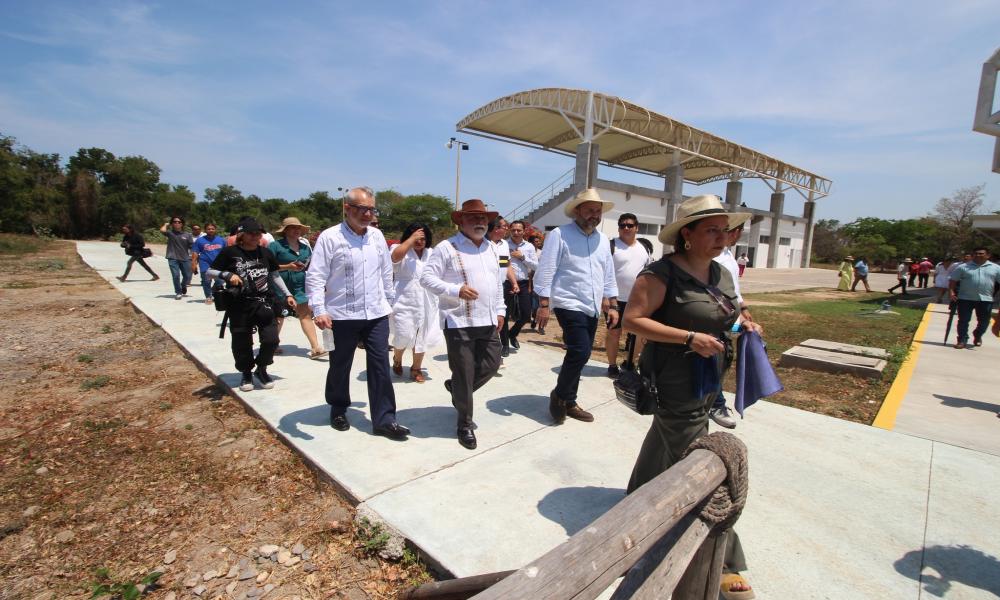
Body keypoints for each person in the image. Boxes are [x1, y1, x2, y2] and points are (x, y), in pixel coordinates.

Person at [622, 194, 761, 599]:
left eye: (725, 230)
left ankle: (634, 501)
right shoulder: (660, 273)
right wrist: (688, 336)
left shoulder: (721, 272)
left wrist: (745, 322)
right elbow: (634, 320)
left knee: (665, 440)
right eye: (712, 230)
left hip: (710, 376)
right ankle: (728, 562)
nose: (723, 237)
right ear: (688, 234)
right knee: (697, 459)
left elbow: (729, 312)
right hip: (673, 378)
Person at [305, 187, 410, 440]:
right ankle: (338, 408)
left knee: (380, 366)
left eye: (371, 209)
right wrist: (319, 309)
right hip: (341, 315)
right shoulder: (330, 237)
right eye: (362, 209)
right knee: (340, 364)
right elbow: (316, 275)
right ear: (347, 209)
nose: (368, 214)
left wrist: (389, 301)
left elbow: (386, 271)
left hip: (375, 314)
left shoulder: (376, 236)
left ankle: (385, 419)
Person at [421, 200, 505, 449]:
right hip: (459, 321)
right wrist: (455, 289)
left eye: (482, 218)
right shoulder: (447, 247)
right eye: (472, 218)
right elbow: (426, 278)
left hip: (488, 319)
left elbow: (496, 282)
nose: (479, 222)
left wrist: (500, 310)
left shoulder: (492, 248)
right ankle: (464, 425)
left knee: (491, 364)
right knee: (465, 373)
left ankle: (456, 388)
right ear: (460, 221)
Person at [533, 188, 618, 424]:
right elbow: (547, 268)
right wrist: (543, 303)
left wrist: (612, 304)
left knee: (583, 353)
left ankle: (569, 400)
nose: (594, 215)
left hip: (591, 304)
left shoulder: (602, 240)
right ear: (577, 210)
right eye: (590, 210)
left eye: (598, 211)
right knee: (580, 350)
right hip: (568, 301)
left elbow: (607, 273)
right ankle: (560, 396)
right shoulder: (560, 234)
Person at [206, 218, 295, 391]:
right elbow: (209, 272)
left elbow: (275, 275)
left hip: (264, 302)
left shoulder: (265, 253)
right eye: (251, 233)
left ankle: (261, 369)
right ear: (242, 234)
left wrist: (288, 294)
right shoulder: (230, 252)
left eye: (258, 233)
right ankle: (246, 372)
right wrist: (226, 275)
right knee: (242, 341)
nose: (255, 236)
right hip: (239, 304)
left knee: (271, 339)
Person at [709, 216, 755, 429]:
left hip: (730, 315)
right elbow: (717, 294)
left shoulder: (728, 256)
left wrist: (743, 309)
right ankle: (716, 403)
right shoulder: (715, 258)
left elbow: (733, 289)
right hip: (715, 317)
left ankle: (712, 399)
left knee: (723, 359)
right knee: (716, 359)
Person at [389, 223, 442, 382]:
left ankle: (416, 368)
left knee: (422, 337)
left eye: (423, 239)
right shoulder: (399, 249)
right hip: (404, 300)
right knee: (403, 335)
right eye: (416, 238)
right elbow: (393, 258)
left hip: (428, 300)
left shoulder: (432, 253)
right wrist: (411, 240)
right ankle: (397, 359)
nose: (420, 242)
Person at [269, 217, 327, 360]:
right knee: (279, 316)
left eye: (298, 228)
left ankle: (315, 347)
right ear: (285, 230)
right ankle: (271, 344)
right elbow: (267, 266)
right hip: (279, 285)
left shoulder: (305, 247)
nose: (297, 230)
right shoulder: (275, 246)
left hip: (300, 285)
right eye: (293, 228)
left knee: (305, 314)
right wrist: (287, 266)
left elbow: (312, 265)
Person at [606, 213, 652, 378]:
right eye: (622, 225)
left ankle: (630, 363)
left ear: (636, 228)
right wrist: (605, 298)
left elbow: (649, 272)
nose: (626, 228)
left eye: (629, 225)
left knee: (640, 333)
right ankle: (612, 365)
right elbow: (603, 273)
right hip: (615, 300)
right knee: (614, 333)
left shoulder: (644, 248)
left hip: (637, 301)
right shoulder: (611, 246)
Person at [948, 247, 1000, 349]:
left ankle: (978, 335)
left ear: (988, 255)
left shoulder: (996, 268)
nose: (978, 255)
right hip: (965, 298)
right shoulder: (963, 267)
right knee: (963, 320)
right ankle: (962, 340)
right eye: (976, 253)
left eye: (981, 253)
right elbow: (953, 280)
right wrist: (951, 292)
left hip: (986, 299)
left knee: (984, 321)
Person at [487, 217, 517, 358]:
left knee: (502, 316)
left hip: (502, 287)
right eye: (504, 226)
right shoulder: (483, 244)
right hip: (486, 288)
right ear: (495, 228)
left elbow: (506, 265)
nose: (507, 229)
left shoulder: (504, 244)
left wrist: (514, 282)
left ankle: (504, 344)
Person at [506, 220, 538, 350]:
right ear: (510, 230)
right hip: (506, 283)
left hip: (524, 283)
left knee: (526, 314)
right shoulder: (503, 245)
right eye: (513, 230)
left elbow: (536, 266)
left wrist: (522, 257)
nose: (516, 232)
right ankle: (504, 344)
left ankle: (512, 334)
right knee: (505, 314)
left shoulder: (529, 247)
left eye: (519, 230)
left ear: (523, 231)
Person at [159, 216, 196, 299]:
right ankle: (178, 292)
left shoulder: (187, 235)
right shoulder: (170, 233)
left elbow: (192, 246)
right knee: (176, 275)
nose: (177, 223)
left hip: (185, 258)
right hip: (172, 257)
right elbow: (162, 230)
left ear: (182, 224)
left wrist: (194, 257)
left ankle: (183, 285)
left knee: (187, 276)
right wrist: (166, 224)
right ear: (172, 224)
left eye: (179, 222)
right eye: (175, 222)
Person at [192, 223, 227, 304]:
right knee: (206, 282)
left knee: (220, 281)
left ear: (215, 230)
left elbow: (226, 252)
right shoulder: (200, 240)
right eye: (208, 229)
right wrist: (193, 264)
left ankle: (213, 292)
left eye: (212, 229)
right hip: (205, 263)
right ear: (205, 230)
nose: (210, 230)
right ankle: (208, 297)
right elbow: (195, 253)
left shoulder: (221, 240)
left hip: (219, 264)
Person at [529, 234, 545, 333]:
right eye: (536, 241)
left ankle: (541, 326)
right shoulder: (528, 252)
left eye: (539, 241)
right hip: (531, 279)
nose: (538, 243)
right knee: (534, 306)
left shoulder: (542, 253)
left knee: (541, 304)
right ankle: (535, 318)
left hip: (541, 280)